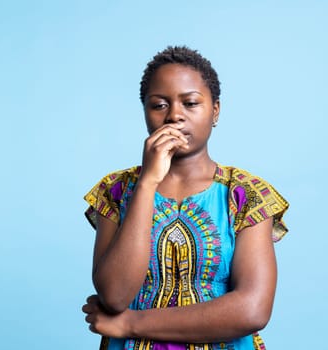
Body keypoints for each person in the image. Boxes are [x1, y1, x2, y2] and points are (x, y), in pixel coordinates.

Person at [82, 46, 289, 350]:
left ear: (215, 111)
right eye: (159, 105)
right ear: (144, 112)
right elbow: (114, 295)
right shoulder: (116, 190)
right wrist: (147, 183)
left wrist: (129, 324)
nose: (174, 115)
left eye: (190, 103)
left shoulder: (246, 194)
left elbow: (252, 310)